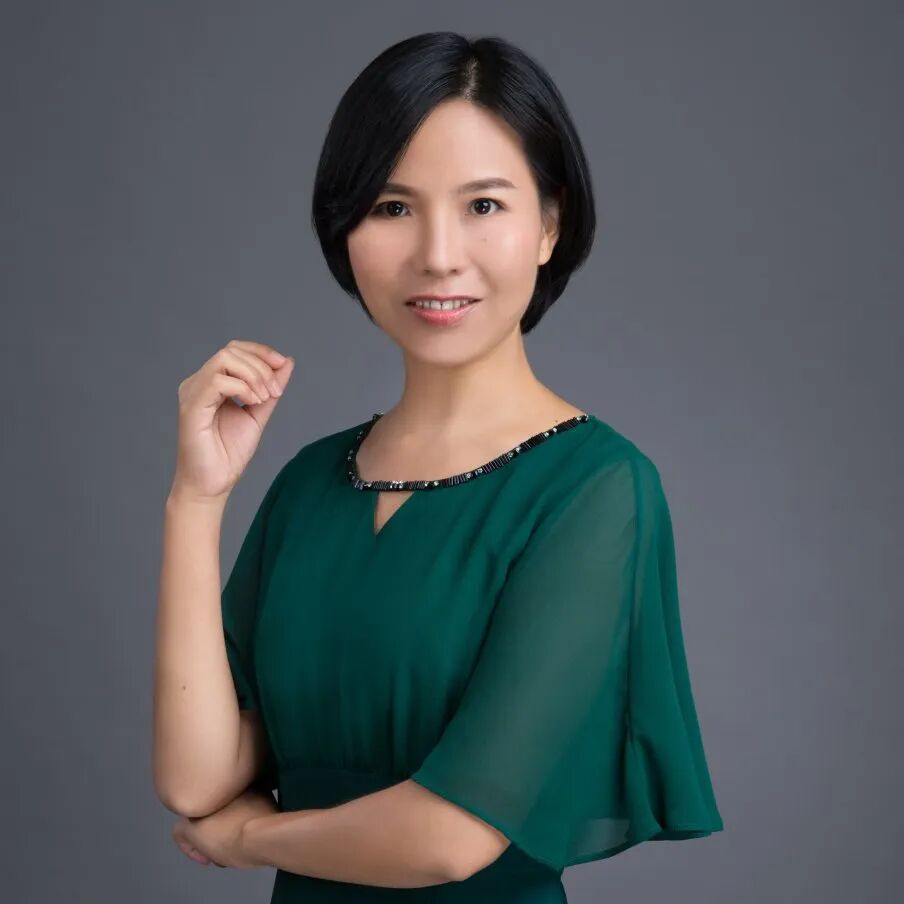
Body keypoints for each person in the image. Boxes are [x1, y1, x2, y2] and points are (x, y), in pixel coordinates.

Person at [153, 30, 724, 903]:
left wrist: (248, 838)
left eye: (484, 205)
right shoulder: (310, 482)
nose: (438, 254)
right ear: (345, 227)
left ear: (550, 224)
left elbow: (449, 837)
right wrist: (196, 501)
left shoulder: (596, 488)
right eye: (392, 207)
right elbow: (194, 778)